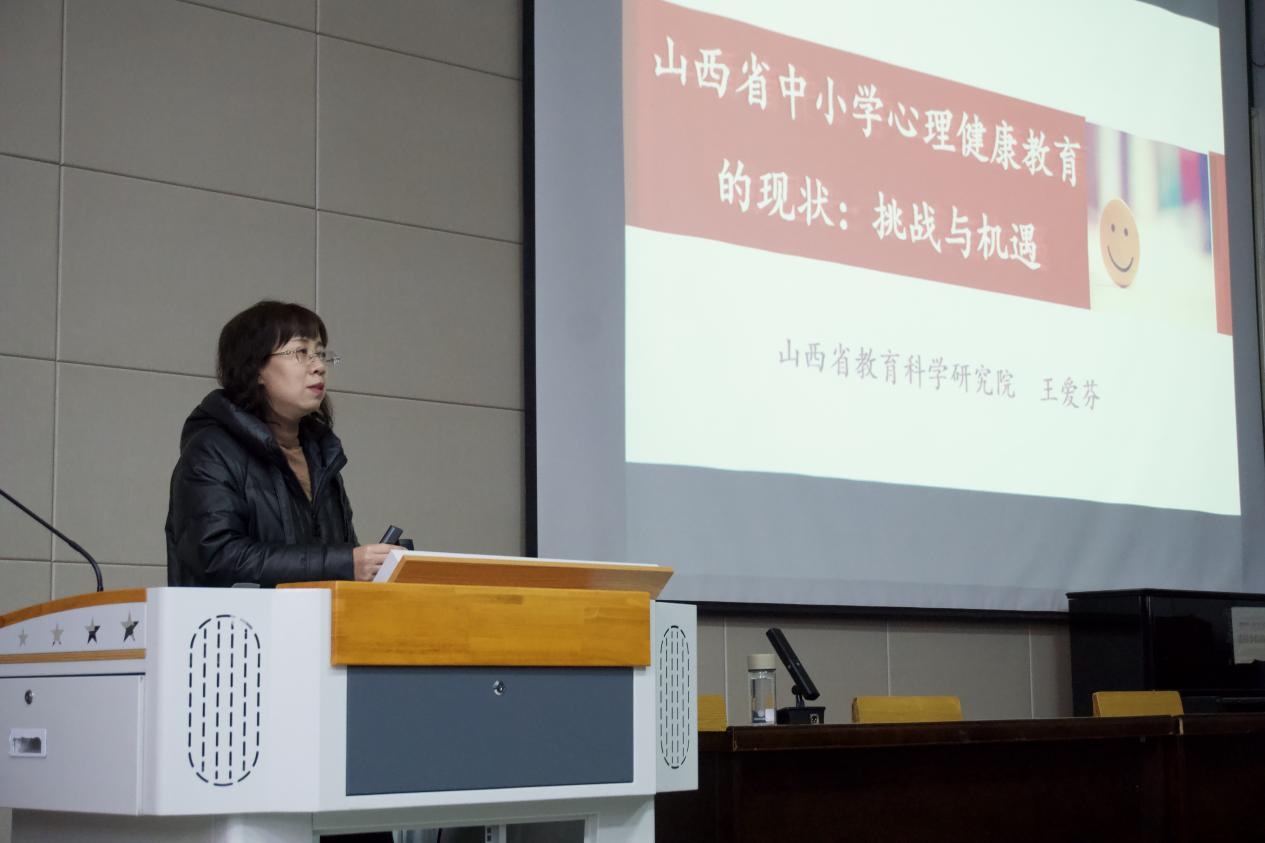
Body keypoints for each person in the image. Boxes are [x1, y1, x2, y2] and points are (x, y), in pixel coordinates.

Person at [166, 300, 398, 587]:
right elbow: (216, 557)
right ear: (255, 368)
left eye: (320, 354)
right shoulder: (212, 451)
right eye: (301, 352)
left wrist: (373, 567)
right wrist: (344, 563)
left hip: (317, 617)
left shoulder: (321, 458)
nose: (319, 367)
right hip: (234, 618)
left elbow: (337, 560)